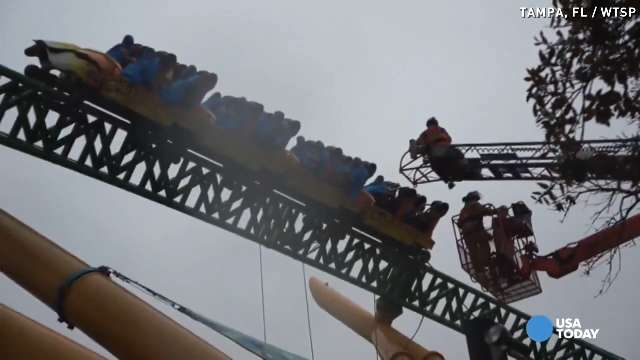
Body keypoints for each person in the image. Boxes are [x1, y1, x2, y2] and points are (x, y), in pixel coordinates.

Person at [457, 191, 497, 279]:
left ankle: (480, 272)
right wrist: (494, 211)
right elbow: (484, 211)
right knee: (485, 248)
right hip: (477, 232)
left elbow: (459, 223)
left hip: (467, 235)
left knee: (473, 253)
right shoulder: (475, 205)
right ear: (475, 198)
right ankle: (488, 265)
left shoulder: (463, 210)